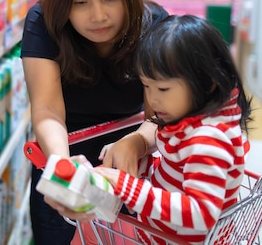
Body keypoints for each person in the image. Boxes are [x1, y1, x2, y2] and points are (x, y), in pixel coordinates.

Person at [20, 0, 169, 244]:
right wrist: (63, 167)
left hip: (132, 174)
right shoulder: (43, 23)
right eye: (80, 2)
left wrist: (138, 142)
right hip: (64, 162)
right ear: (63, 3)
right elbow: (47, 110)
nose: (98, 15)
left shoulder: (154, 25)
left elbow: (164, 114)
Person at [91, 14, 253, 244]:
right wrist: (136, 160)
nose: (152, 99)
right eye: (146, 86)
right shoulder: (188, 120)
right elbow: (174, 164)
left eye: (163, 89)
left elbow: (201, 214)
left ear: (207, 82)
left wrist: (129, 188)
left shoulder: (208, 140)